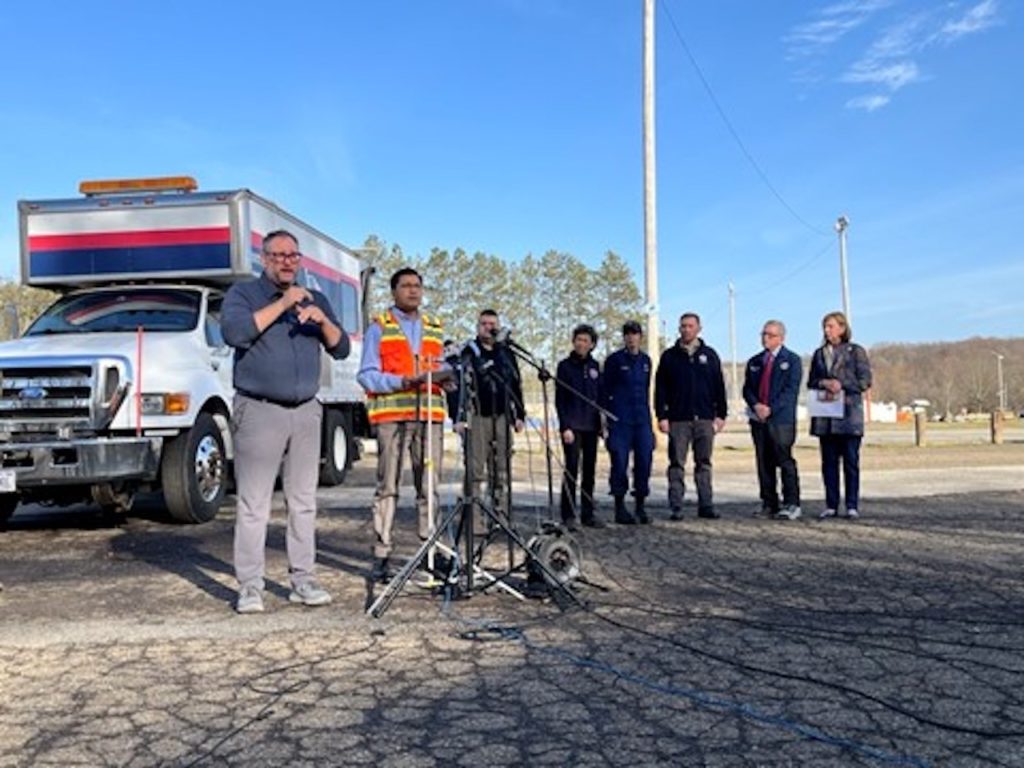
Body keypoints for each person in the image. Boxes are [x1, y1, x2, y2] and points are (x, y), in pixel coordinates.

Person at [222, 229, 350, 614]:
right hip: (260, 409)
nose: (287, 262)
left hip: (306, 411)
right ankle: (249, 586)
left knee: (303, 501)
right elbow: (235, 333)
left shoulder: (316, 297)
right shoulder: (244, 295)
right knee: (254, 503)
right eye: (278, 255)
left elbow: (340, 348)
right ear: (265, 259)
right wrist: (283, 305)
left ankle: (303, 579)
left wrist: (323, 320)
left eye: (293, 256)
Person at [358, 268, 448, 582]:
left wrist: (448, 379)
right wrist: (400, 381)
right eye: (406, 286)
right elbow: (366, 374)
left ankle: (431, 553)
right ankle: (382, 554)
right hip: (392, 417)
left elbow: (443, 368)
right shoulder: (379, 327)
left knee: (429, 488)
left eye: (418, 286)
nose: (413, 291)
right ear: (394, 291)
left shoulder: (435, 327)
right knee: (388, 488)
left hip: (429, 417)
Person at [454, 309, 525, 531]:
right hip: (477, 416)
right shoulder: (469, 352)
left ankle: (500, 517)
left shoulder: (506, 352)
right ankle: (474, 520)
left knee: (501, 469)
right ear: (477, 326)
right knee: (475, 470)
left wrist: (519, 414)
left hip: (502, 416)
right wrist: (458, 417)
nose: (488, 327)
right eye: (483, 323)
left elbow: (516, 383)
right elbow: (458, 388)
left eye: (492, 323)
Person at [654, 312, 727, 520]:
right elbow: (660, 389)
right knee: (677, 464)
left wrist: (721, 415)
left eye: (690, 326)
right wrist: (662, 415)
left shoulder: (710, 355)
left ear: (699, 328)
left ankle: (706, 505)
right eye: (683, 326)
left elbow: (719, 387)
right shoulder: (669, 356)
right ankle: (676, 506)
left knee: (704, 463)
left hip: (704, 419)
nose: (686, 329)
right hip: (679, 420)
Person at [808, 310, 872, 520]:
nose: (827, 330)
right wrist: (824, 383)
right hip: (826, 417)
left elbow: (865, 381)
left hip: (848, 416)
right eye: (825, 327)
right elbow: (811, 382)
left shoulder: (856, 351)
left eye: (831, 326)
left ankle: (852, 504)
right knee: (829, 463)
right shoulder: (819, 354)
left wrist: (842, 384)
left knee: (851, 462)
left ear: (842, 328)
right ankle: (831, 504)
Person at [742, 320, 802, 520]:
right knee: (763, 462)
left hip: (781, 421)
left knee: (784, 460)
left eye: (770, 335)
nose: (765, 338)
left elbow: (790, 391)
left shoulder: (792, 360)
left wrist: (771, 408)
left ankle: (792, 503)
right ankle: (769, 502)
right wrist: (756, 405)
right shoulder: (755, 362)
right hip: (759, 420)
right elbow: (747, 389)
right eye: (764, 334)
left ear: (781, 338)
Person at [603, 320, 655, 525]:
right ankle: (619, 506)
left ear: (640, 337)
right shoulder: (614, 361)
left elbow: (646, 391)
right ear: (624, 337)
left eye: (635, 334)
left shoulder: (646, 361)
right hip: (620, 420)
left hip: (641, 419)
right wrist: (607, 420)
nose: (631, 338)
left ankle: (640, 505)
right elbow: (606, 391)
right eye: (628, 334)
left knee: (644, 462)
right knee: (619, 462)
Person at [556, 324, 606, 529]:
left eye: (586, 340)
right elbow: (560, 400)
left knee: (589, 472)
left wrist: (602, 425)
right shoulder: (565, 366)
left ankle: (588, 513)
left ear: (592, 344)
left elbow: (600, 397)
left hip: (591, 427)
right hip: (572, 427)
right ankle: (568, 515)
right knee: (572, 470)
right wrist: (565, 426)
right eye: (578, 339)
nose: (581, 344)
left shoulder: (595, 367)